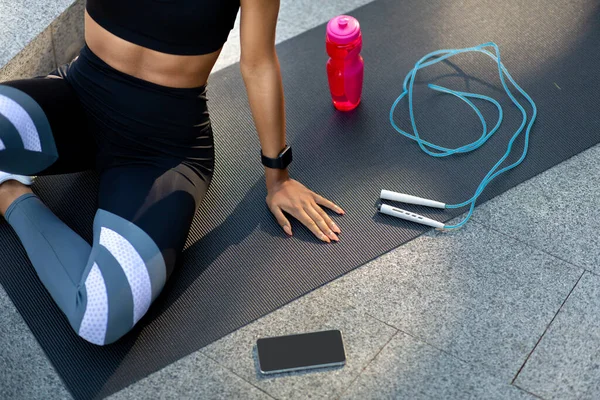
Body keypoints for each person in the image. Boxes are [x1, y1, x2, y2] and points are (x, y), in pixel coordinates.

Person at [0, 0, 344, 346]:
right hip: (79, 97)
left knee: (99, 317)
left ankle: (12, 194)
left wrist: (278, 178)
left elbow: (258, 64)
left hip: (161, 151)